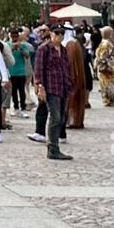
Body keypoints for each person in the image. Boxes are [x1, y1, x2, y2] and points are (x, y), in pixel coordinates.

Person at [32, 26, 74, 161]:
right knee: (55, 117)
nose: (60, 36)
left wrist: (69, 84)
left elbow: (66, 68)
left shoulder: (63, 49)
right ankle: (52, 148)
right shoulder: (43, 49)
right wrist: (40, 87)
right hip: (50, 88)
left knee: (61, 118)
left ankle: (54, 146)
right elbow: (38, 70)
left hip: (62, 87)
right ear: (51, 34)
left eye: (62, 33)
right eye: (57, 33)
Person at [7, 29, 30, 117]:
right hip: (11, 72)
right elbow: (6, 55)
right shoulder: (8, 45)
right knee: (13, 91)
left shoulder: (23, 45)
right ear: (10, 36)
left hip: (21, 72)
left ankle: (23, 109)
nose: (14, 38)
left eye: (16, 37)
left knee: (22, 91)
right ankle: (16, 108)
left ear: (18, 36)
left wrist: (20, 48)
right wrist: (13, 48)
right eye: (13, 37)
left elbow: (27, 56)